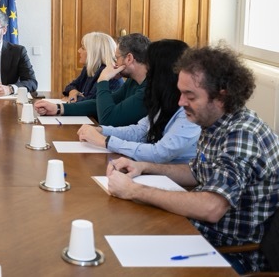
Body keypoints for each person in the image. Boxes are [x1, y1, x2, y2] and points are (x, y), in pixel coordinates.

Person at [106, 45, 279, 273]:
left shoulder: (242, 135)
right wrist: (143, 166)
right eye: (181, 93)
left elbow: (211, 207)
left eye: (190, 96)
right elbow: (195, 172)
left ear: (221, 96)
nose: (180, 102)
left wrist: (134, 191)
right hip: (198, 236)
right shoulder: (213, 122)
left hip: (229, 254)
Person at [78, 39, 200, 163]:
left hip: (168, 174)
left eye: (149, 67)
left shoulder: (188, 109)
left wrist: (105, 141)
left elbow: (160, 153)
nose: (147, 73)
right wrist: (102, 131)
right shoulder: (166, 99)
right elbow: (140, 131)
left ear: (162, 73)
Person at [35, 33, 150, 126]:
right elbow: (96, 104)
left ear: (129, 59)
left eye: (117, 58)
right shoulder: (132, 82)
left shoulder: (149, 89)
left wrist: (103, 80)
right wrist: (58, 108)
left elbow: (108, 120)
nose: (114, 62)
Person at [62, 32, 123, 102]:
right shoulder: (89, 68)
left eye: (83, 48)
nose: (79, 51)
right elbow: (71, 86)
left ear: (95, 52)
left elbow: (90, 103)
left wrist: (72, 98)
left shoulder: (110, 75)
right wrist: (73, 91)